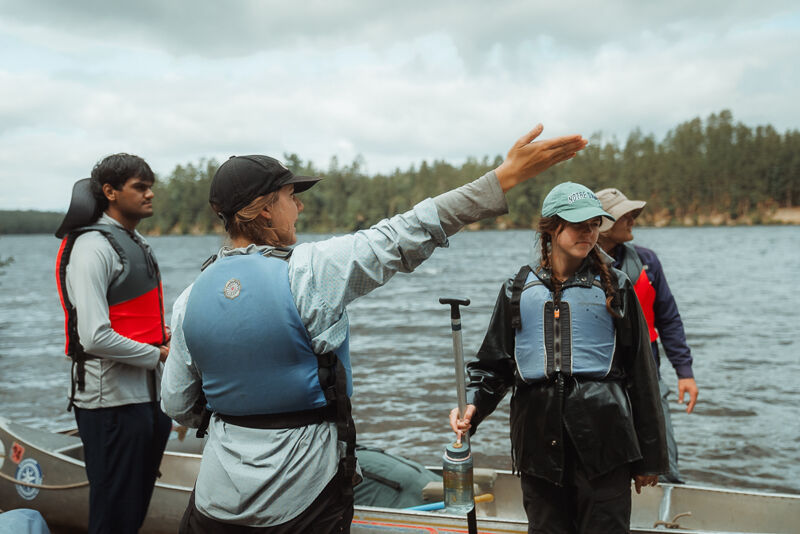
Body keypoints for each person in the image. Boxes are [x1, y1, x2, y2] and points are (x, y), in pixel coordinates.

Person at [160, 124, 588, 533]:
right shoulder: (311, 270)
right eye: (293, 195)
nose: (300, 206)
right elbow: (407, 232)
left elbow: (177, 403)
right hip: (301, 499)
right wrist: (503, 177)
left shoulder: (188, 299)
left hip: (216, 501)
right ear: (267, 206)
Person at [450, 182, 667, 533]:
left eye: (595, 223)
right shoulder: (516, 289)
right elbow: (493, 367)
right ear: (552, 228)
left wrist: (652, 458)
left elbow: (643, 376)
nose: (590, 231)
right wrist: (472, 406)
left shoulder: (618, 286)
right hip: (537, 447)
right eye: (579, 223)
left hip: (606, 443)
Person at [54, 154, 172, 534]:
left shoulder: (132, 242)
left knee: (132, 514)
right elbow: (94, 336)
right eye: (140, 187)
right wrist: (157, 355)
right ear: (110, 192)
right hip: (112, 406)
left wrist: (167, 338)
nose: (150, 194)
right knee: (113, 517)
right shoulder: (93, 247)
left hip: (147, 401)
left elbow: (136, 319)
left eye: (151, 185)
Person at [595, 187, 698, 484]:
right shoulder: (581, 266)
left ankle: (666, 521)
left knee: (663, 462)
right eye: (625, 214)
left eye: (633, 214)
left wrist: (685, 372)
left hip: (650, 380)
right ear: (601, 224)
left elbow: (668, 318)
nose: (633, 219)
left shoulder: (648, 261)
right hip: (601, 385)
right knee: (606, 465)